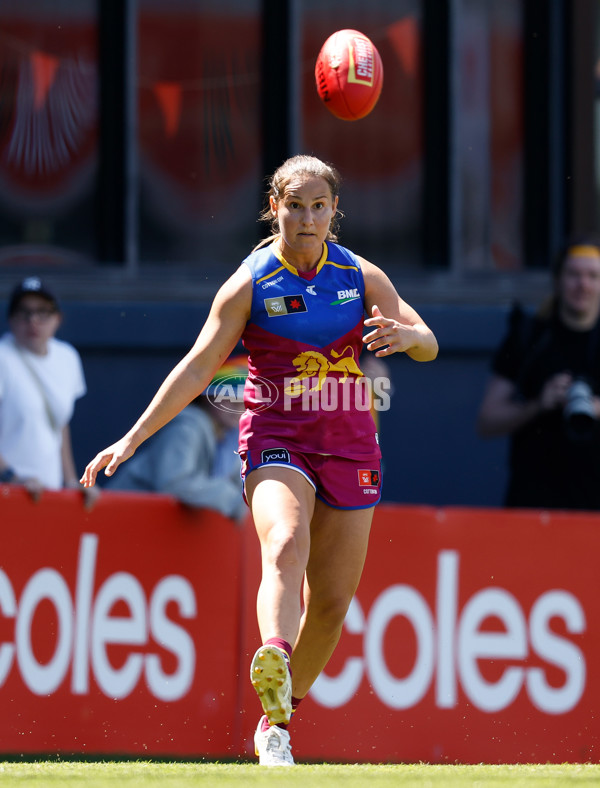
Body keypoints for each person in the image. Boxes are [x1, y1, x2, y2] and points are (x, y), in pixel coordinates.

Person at [80, 155, 438, 765]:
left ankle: (279, 717)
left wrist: (408, 338)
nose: (306, 217)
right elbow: (197, 367)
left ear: (333, 212)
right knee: (284, 541)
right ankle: (274, 646)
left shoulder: (360, 275)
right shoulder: (249, 283)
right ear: (274, 208)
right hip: (276, 433)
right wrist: (132, 439)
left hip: (352, 442)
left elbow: (427, 343)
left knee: (329, 604)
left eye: (318, 205)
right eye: (294, 205)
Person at [477, 239, 600, 510]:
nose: (583, 285)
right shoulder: (529, 337)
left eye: (593, 276)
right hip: (534, 502)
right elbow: (486, 421)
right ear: (558, 280)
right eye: (574, 275)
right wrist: (538, 404)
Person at [105, 355, 248, 521]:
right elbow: (174, 483)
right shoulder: (187, 428)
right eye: (228, 396)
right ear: (206, 397)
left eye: (243, 398)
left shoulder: (233, 435)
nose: (237, 404)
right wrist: (233, 499)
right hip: (119, 520)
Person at [0, 276, 98, 508]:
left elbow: (59, 424)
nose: (33, 320)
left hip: (47, 493)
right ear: (11, 319)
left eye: (42, 312)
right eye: (24, 312)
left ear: (58, 318)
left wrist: (72, 481)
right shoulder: (2, 357)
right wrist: (12, 477)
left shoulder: (67, 358)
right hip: (7, 494)